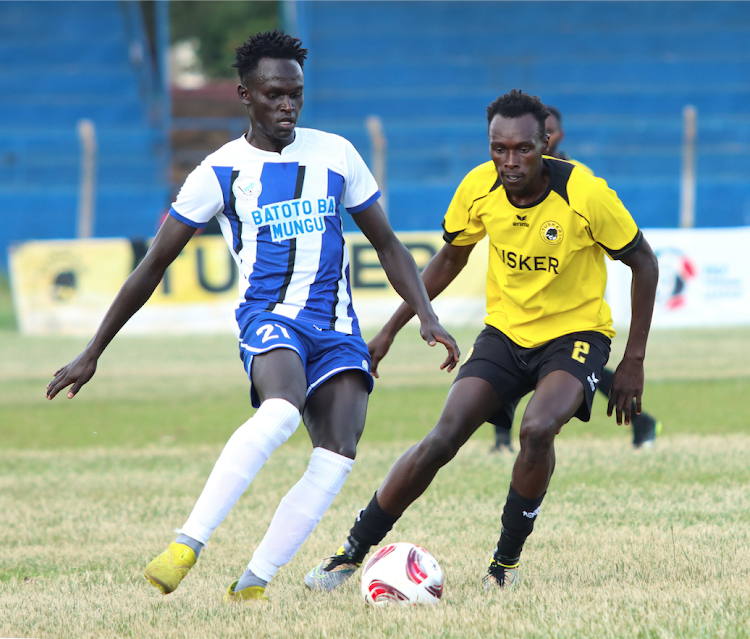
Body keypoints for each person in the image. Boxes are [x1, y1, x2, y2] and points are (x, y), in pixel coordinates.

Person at [45, 30, 458, 602]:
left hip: (338, 329)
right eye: (273, 94)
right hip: (271, 319)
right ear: (245, 94)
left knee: (337, 455)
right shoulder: (219, 172)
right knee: (282, 410)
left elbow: (388, 244)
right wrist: (93, 350)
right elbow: (152, 266)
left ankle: (254, 582)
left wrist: (426, 315)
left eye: (295, 94)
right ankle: (188, 543)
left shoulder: (338, 154)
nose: (287, 105)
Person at [304, 89, 658, 592]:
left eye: (523, 149)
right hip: (505, 335)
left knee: (537, 429)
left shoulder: (585, 193)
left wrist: (633, 360)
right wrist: (390, 329)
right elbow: (450, 259)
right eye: (498, 149)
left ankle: (504, 565)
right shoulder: (477, 187)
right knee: (441, 438)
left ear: (547, 143)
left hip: (576, 336)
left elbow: (643, 261)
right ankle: (348, 554)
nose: (509, 162)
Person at [490, 105, 662, 453]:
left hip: (569, 308)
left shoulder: (579, 180)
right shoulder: (503, 182)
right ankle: (502, 441)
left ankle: (641, 421)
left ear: (554, 137)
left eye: (546, 134)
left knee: (570, 378)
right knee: (499, 369)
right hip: (520, 306)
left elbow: (628, 249)